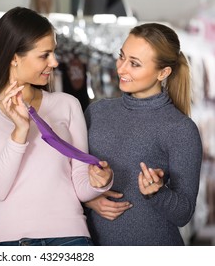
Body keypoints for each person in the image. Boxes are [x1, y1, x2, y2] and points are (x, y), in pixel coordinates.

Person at [0, 7, 113, 246]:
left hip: (68, 239)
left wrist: (99, 182)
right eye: (44, 55)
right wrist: (19, 133)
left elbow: (79, 184)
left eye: (54, 53)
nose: (55, 62)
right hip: (4, 242)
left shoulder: (67, 104)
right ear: (14, 56)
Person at [84, 23, 203, 245]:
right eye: (121, 57)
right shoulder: (97, 112)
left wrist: (157, 192)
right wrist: (89, 200)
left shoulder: (180, 128)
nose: (120, 69)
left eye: (134, 64)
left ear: (163, 72)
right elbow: (69, 176)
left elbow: (184, 214)